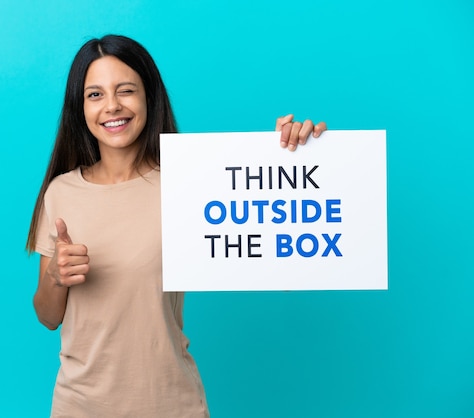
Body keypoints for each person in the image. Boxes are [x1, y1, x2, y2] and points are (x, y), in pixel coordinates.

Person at [26, 34, 326, 418]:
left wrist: (291, 158)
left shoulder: (192, 185)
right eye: (95, 94)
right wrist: (55, 277)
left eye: (126, 90)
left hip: (171, 404)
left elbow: (262, 217)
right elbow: (48, 317)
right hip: (79, 406)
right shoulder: (61, 192)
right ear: (79, 108)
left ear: (150, 96)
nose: (112, 106)